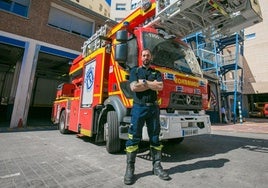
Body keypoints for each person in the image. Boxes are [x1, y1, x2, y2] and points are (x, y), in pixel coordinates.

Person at [124, 49, 170, 185]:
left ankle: (157, 167)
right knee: (134, 138)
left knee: (155, 137)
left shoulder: (156, 73)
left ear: (151, 57)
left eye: (148, 55)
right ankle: (130, 169)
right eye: (144, 55)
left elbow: (160, 86)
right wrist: (151, 85)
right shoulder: (135, 71)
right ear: (141, 57)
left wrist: (144, 83)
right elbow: (133, 87)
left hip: (153, 108)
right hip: (139, 107)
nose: (146, 57)